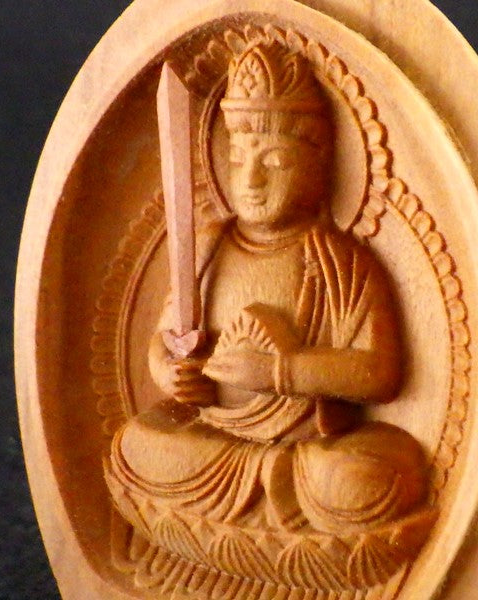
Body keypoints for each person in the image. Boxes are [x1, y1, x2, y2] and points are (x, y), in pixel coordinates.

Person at [107, 41, 429, 547]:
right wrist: (170, 372)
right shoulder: (207, 247)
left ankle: (237, 523)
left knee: (372, 476)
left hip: (309, 450)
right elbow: (165, 339)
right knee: (136, 444)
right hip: (215, 441)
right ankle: (273, 525)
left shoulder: (343, 263)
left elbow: (379, 374)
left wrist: (280, 372)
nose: (251, 180)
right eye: (238, 159)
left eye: (274, 162)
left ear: (320, 166)